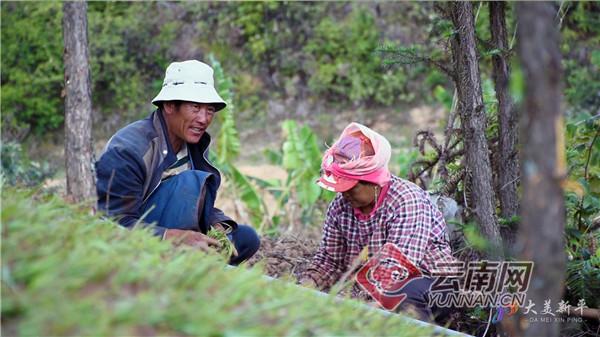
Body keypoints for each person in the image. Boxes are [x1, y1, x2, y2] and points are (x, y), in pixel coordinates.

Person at [95, 60, 260, 265]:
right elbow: (112, 223)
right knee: (190, 181)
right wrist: (174, 237)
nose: (203, 119)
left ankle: (194, 272)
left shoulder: (192, 144)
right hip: (140, 242)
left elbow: (195, 203)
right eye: (195, 107)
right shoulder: (127, 151)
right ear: (170, 105)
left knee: (245, 239)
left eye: (209, 110)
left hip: (175, 230)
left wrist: (216, 224)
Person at [299, 122, 458, 322]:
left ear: (372, 181)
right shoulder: (340, 208)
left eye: (351, 187)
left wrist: (356, 303)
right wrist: (307, 285)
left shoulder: (405, 200)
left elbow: (397, 270)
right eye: (341, 188)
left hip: (429, 282)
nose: (345, 194)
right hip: (374, 285)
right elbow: (330, 261)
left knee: (401, 294)